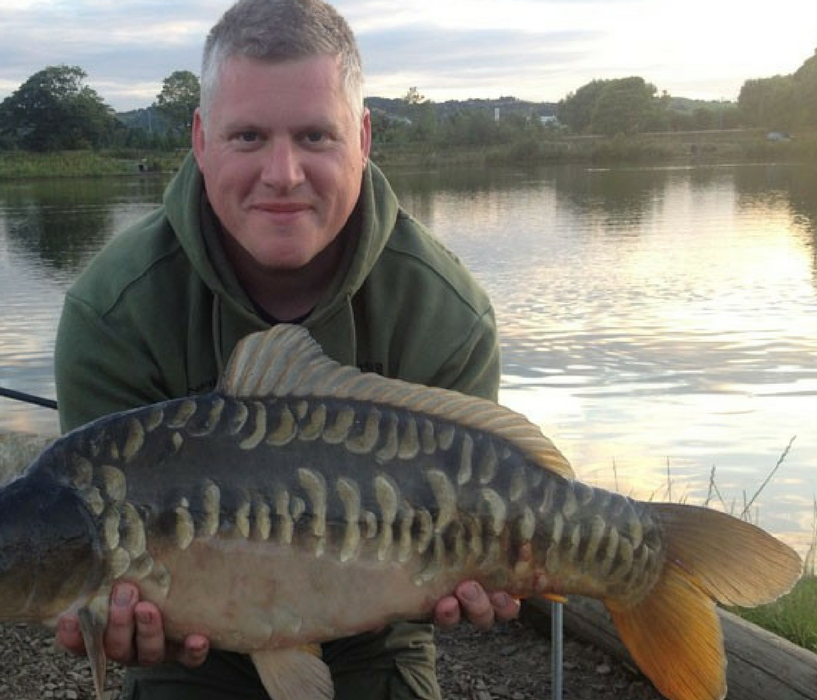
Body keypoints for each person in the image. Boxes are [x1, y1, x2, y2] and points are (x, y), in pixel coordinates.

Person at [52, 0, 520, 697]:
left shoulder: (444, 313)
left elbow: (483, 517)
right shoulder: (112, 312)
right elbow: (93, 544)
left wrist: (489, 575)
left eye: (314, 137)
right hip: (187, 643)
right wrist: (106, 621)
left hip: (374, 631)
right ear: (201, 139)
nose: (283, 173)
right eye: (247, 137)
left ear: (362, 138)